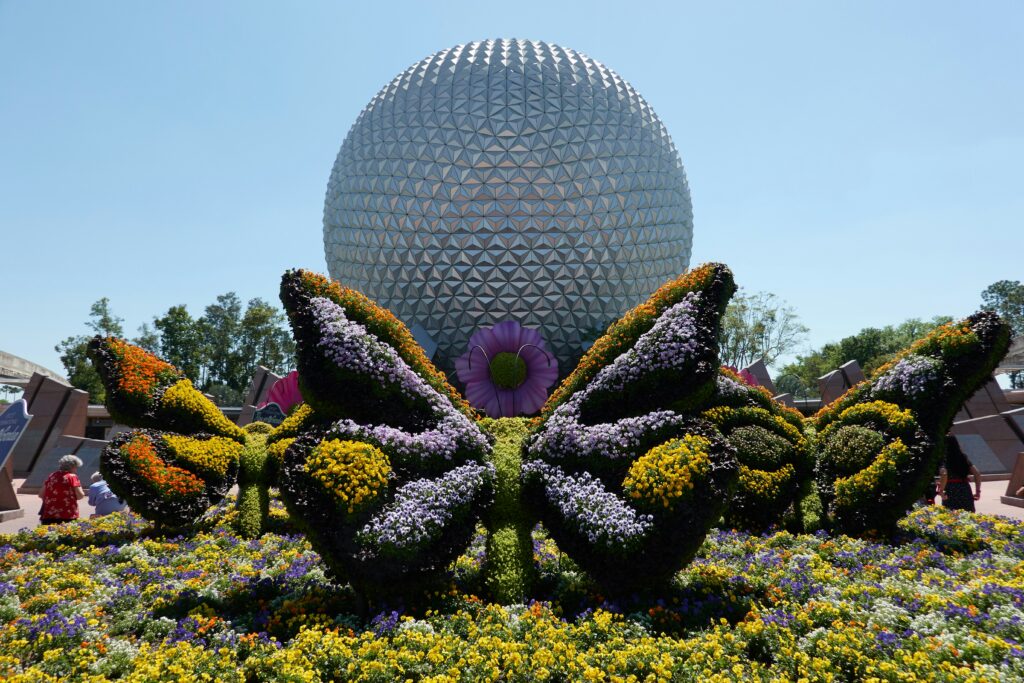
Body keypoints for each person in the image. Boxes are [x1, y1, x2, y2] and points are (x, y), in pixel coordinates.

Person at [936, 436, 981, 512]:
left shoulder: (945, 458)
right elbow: (977, 473)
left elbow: (944, 474)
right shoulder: (963, 457)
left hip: (951, 491)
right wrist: (977, 492)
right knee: (968, 517)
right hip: (965, 490)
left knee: (951, 518)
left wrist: (941, 491)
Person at [38, 454, 85, 524]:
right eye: (76, 467)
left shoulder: (52, 475)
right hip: (67, 514)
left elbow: (41, 494)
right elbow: (80, 496)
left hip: (49, 514)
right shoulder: (72, 477)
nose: (76, 470)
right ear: (72, 466)